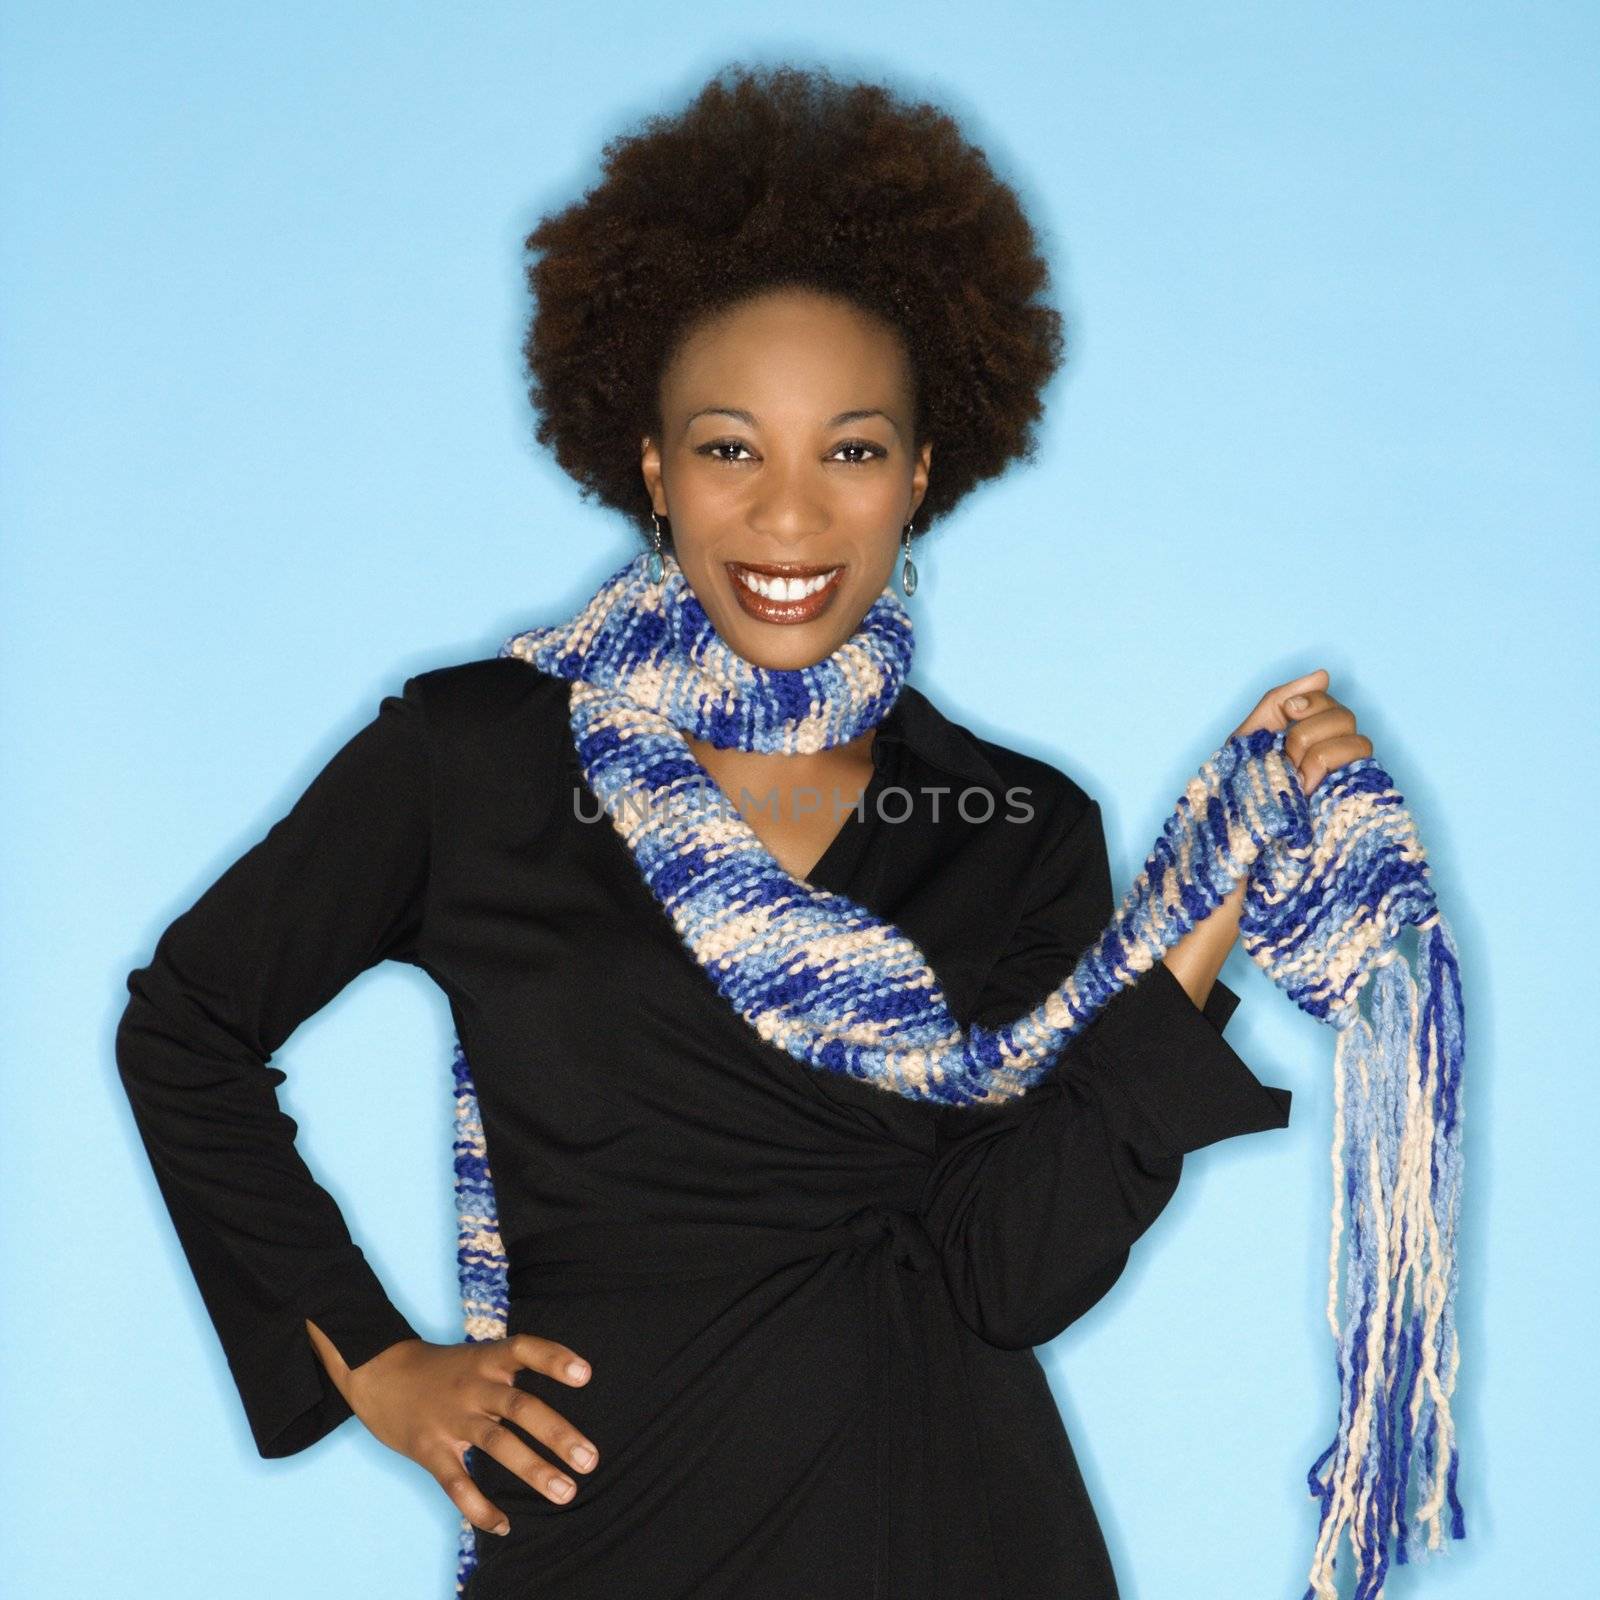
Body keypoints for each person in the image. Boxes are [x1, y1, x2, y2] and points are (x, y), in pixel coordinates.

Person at [116, 62, 1373, 1598]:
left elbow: (1008, 1272)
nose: (789, 518)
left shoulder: (1019, 825)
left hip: (956, 1530)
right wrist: (369, 1359)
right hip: (621, 1532)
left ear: (921, 475)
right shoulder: (478, 758)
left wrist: (1198, 929)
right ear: (651, 465)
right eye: (730, 447)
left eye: (850, 450)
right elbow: (186, 1028)